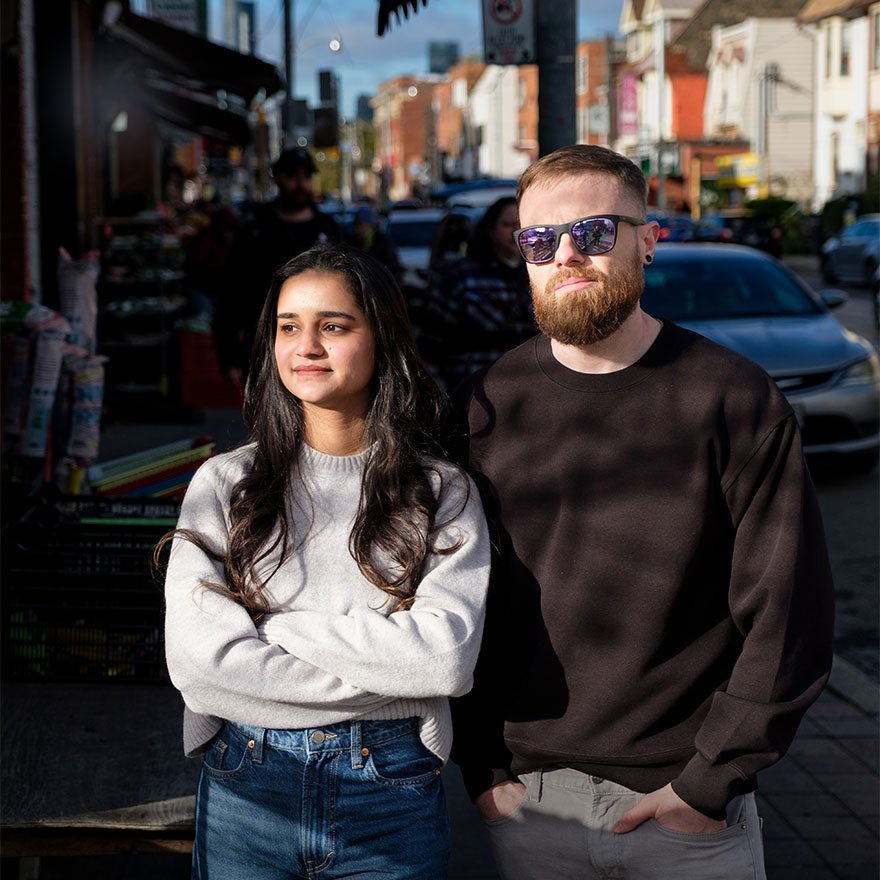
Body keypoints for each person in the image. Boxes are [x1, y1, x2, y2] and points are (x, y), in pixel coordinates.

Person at [450, 145, 835, 879]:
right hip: (531, 805)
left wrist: (708, 783)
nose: (566, 255)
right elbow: (461, 602)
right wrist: (481, 768)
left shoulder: (735, 400)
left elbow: (790, 613)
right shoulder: (483, 407)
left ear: (649, 240)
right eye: (538, 240)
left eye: (594, 232)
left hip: (685, 814)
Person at [161, 244, 490, 879]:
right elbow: (201, 666)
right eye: (289, 327)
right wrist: (388, 672)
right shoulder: (225, 485)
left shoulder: (441, 492)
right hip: (247, 786)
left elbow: (443, 658)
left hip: (390, 788)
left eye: (333, 326)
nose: (306, 346)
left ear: (381, 338)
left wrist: (276, 630)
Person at [213, 147, 343, 389]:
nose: (300, 184)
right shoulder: (255, 230)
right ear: (277, 179)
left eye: (305, 177)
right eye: (292, 176)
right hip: (264, 346)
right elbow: (230, 294)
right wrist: (228, 355)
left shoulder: (328, 229)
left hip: (319, 347)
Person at [423, 196, 534, 391]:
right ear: (490, 229)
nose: (515, 232)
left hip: (527, 388)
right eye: (507, 225)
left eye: (522, 225)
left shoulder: (539, 274)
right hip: (473, 389)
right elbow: (431, 340)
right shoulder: (463, 276)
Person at [348, 205, 403, 285]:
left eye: (364, 225)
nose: (361, 228)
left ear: (372, 225)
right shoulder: (351, 242)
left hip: (380, 286)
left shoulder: (383, 242)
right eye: (359, 225)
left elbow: (393, 268)